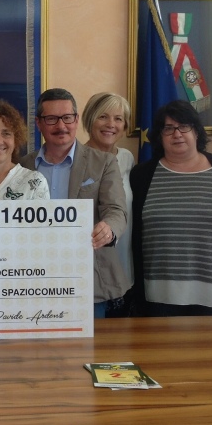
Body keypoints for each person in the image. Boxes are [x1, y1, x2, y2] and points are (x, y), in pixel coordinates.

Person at [19, 88, 128, 319]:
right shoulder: (22, 166)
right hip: (33, 279)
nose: (61, 126)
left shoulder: (104, 162)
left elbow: (116, 210)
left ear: (77, 120)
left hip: (88, 278)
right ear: (39, 123)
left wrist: (108, 228)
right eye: (51, 119)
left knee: (92, 343)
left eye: (67, 117)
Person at [130, 100, 212, 316]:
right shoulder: (141, 175)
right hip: (158, 297)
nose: (177, 134)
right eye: (168, 128)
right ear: (159, 136)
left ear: (196, 132)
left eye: (184, 126)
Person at [82, 92, 135, 291]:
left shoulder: (127, 158)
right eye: (103, 116)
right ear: (90, 119)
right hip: (91, 269)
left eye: (118, 119)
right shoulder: (76, 160)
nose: (111, 124)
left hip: (124, 265)